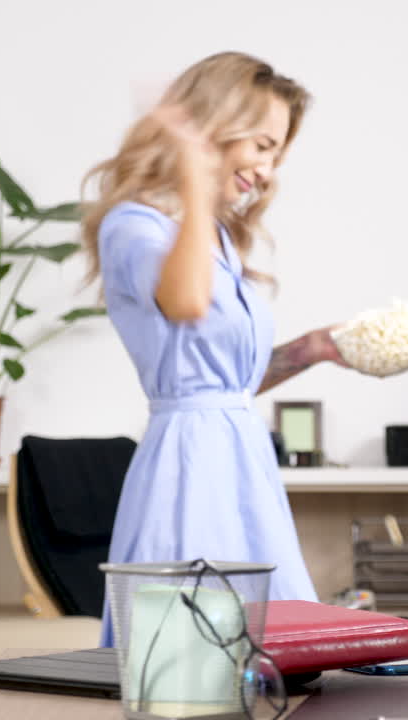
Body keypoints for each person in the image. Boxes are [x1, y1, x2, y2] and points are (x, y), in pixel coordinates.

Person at [80, 52, 348, 645]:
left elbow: (224, 383)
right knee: (191, 658)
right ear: (213, 126)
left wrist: (310, 349)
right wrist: (196, 186)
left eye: (277, 153)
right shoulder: (134, 225)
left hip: (242, 461)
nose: (269, 169)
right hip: (188, 471)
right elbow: (185, 305)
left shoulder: (217, 236)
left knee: (276, 655)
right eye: (261, 144)